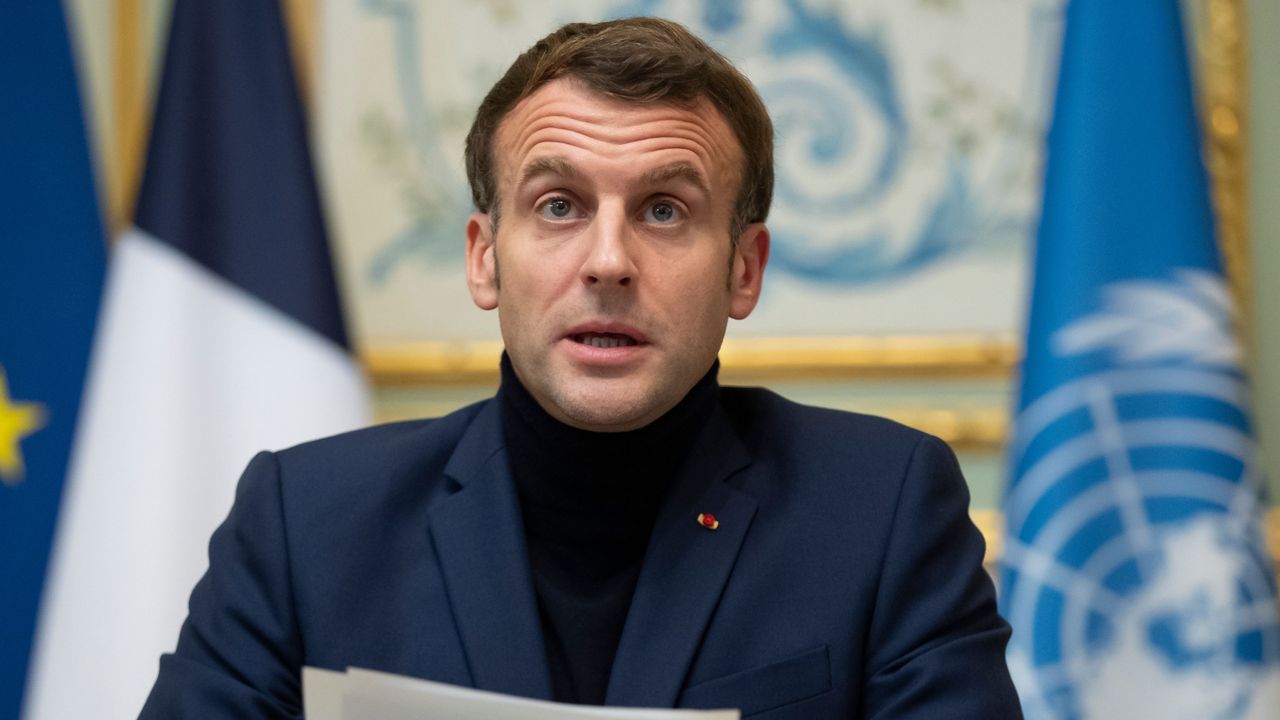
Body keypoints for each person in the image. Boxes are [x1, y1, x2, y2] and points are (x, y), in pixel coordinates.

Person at [140, 17, 1020, 719]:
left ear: (743, 269)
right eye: (558, 205)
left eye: (665, 210)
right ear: (484, 257)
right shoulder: (307, 524)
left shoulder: (882, 510)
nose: (608, 261)